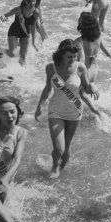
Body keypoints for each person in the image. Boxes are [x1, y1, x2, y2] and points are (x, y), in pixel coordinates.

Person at [34, 39, 98, 179]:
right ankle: (55, 167)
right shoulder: (51, 68)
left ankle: (62, 168)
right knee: (59, 148)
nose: (73, 59)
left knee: (66, 147)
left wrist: (91, 87)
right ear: (60, 55)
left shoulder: (80, 68)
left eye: (74, 56)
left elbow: (85, 88)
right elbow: (47, 88)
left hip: (74, 110)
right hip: (55, 110)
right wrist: (39, 106)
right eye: (69, 57)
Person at [0, 0, 40, 66]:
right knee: (13, 54)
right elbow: (5, 15)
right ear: (25, 1)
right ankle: (1, 51)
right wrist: (3, 17)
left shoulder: (36, 12)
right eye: (29, 1)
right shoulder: (18, 9)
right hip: (14, 31)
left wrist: (33, 43)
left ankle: (21, 74)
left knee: (23, 58)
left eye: (33, 1)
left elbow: (33, 27)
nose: (32, 3)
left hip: (25, 33)